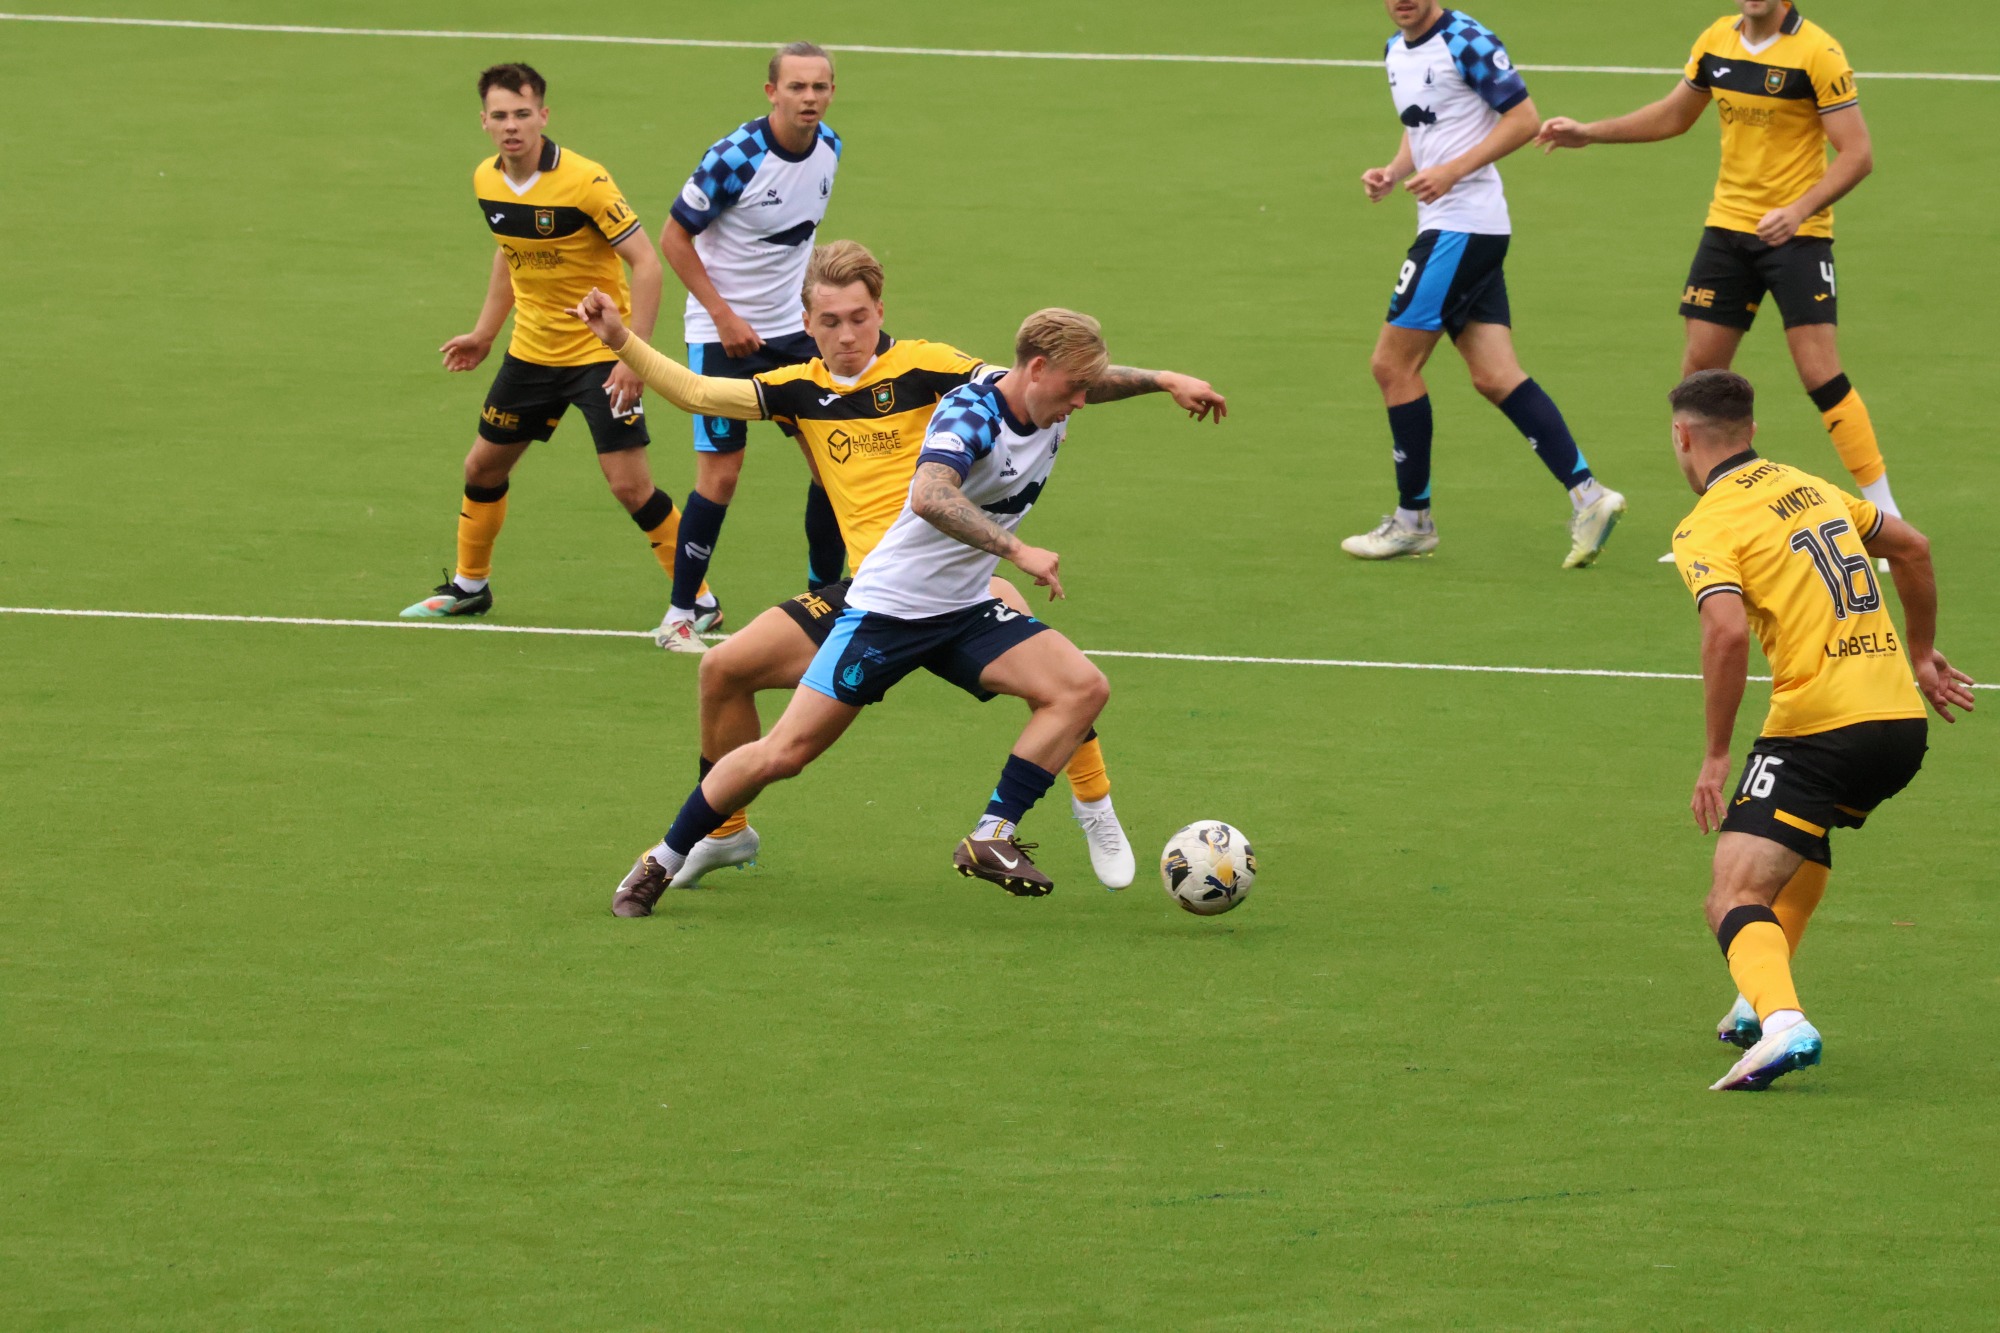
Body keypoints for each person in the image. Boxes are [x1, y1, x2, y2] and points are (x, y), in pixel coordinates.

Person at [605, 309, 1226, 908]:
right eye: (1075, 388)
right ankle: (663, 858)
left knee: (1081, 688)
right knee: (783, 754)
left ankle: (992, 835)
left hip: (965, 609)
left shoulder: (1049, 395)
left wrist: (1165, 380)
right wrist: (1017, 550)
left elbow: (1098, 382)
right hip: (889, 611)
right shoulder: (971, 413)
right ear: (1037, 369)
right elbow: (930, 495)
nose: (1083, 402)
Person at [1666, 370, 1974, 1091]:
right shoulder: (1811, 487)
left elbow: (1725, 633)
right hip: (1898, 725)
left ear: (1682, 437)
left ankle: (1783, 1022)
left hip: (1819, 728)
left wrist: (1716, 755)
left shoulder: (1706, 524)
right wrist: (1921, 652)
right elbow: (1913, 546)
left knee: (1731, 892)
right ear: (1752, 431)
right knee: (1803, 836)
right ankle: (1755, 1001)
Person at [1536, 1, 1904, 539]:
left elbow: (1858, 153)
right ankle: (1720, 521)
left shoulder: (1818, 53)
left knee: (1820, 373)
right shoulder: (1715, 41)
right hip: (1727, 231)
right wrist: (1590, 132)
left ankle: (1886, 517)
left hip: (1798, 237)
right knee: (1698, 383)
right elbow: (1673, 116)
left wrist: (1798, 210)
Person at [400, 63, 694, 622]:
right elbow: (508, 254)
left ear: (543, 115)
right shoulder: (486, 180)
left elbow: (647, 264)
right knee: (482, 468)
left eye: (522, 114)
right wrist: (485, 333)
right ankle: (470, 585)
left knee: (630, 487)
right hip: (532, 353)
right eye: (500, 116)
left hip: (599, 353)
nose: (512, 126)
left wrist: (635, 356)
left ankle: (697, 599)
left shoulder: (586, 181)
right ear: (484, 122)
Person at [1344, 0, 1626, 568]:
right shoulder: (1396, 49)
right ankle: (1589, 496)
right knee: (1495, 376)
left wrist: (1453, 171)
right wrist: (1394, 171)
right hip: (1466, 229)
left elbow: (1522, 119)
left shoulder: (1466, 39)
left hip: (1461, 228)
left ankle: (1413, 521)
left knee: (1392, 366)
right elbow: (1422, 125)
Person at [654, 41, 847, 651]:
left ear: (832, 92)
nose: (809, 98)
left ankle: (825, 604)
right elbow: (673, 239)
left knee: (833, 465)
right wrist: (724, 316)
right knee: (721, 477)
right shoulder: (734, 158)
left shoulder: (831, 148)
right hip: (722, 337)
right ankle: (680, 615)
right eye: (797, 87)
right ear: (772, 92)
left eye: (819, 87)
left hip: (793, 334)